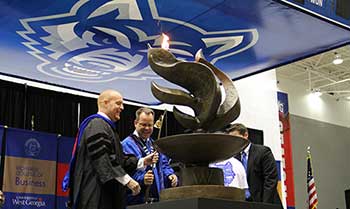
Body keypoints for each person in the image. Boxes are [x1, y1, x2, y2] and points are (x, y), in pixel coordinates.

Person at [64, 90, 157, 209]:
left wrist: (142, 161)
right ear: (105, 102)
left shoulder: (106, 127)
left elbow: (119, 160)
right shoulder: (97, 125)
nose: (122, 107)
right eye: (118, 103)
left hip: (105, 195)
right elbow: (103, 159)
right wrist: (128, 181)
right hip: (96, 195)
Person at [122, 107, 178, 205]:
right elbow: (124, 172)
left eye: (150, 125)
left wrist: (170, 175)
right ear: (135, 123)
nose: (147, 128)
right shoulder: (126, 144)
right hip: (136, 201)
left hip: (158, 200)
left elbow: (163, 164)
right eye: (143, 125)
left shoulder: (155, 144)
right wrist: (142, 179)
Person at [229, 123, 282, 205]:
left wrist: (264, 205)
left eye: (235, 137)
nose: (234, 142)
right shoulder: (234, 158)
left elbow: (270, 180)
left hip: (265, 202)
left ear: (245, 135)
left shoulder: (263, 152)